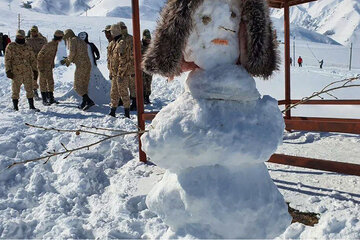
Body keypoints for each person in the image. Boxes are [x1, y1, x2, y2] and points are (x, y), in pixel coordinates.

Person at [5, 30, 39, 112]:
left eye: (21, 36)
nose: (20, 37)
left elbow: (32, 59)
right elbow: (7, 59)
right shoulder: (11, 46)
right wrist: (8, 70)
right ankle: (15, 107)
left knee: (29, 89)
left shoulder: (28, 47)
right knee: (15, 90)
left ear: (24, 37)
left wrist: (35, 70)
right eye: (18, 36)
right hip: (16, 72)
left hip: (27, 72)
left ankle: (31, 106)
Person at [61, 29, 95, 111]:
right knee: (84, 84)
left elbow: (72, 53)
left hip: (81, 65)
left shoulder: (73, 41)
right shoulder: (80, 40)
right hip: (87, 64)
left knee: (77, 85)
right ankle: (84, 103)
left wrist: (67, 61)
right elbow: (79, 53)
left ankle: (89, 101)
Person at [108, 23, 131, 118]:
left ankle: (127, 113)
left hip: (121, 74)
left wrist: (121, 73)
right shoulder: (114, 43)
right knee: (114, 93)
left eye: (111, 32)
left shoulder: (121, 43)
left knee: (123, 93)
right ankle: (112, 111)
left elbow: (123, 60)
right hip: (114, 73)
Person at [37, 30, 64, 106]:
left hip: (49, 66)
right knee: (43, 82)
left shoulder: (55, 44)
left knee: (50, 81)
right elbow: (39, 56)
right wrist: (40, 67)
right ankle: (44, 99)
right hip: (43, 66)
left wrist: (52, 63)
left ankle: (51, 98)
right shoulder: (49, 45)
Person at [25, 25, 47, 101]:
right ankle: (35, 91)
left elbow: (46, 49)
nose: (33, 33)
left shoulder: (42, 39)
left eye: (34, 31)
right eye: (32, 31)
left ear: (37, 31)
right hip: (32, 62)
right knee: (34, 77)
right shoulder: (28, 40)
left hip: (41, 61)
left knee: (43, 77)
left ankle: (45, 91)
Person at [118, 22, 136, 111]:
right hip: (129, 67)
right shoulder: (131, 38)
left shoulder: (123, 40)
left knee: (130, 86)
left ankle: (134, 103)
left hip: (128, 67)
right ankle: (131, 102)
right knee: (129, 85)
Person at [142, 29, 152, 104]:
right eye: (147, 39)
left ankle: (147, 97)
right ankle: (142, 96)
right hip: (141, 68)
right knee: (142, 82)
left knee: (148, 82)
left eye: (149, 39)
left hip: (149, 67)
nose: (148, 40)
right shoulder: (139, 45)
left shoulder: (152, 46)